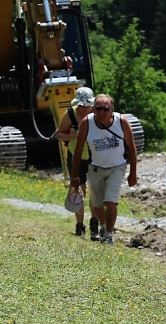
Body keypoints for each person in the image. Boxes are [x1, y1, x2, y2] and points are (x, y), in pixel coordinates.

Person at [70, 93, 137, 245]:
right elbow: (78, 151)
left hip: (117, 166)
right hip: (95, 168)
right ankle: (103, 225)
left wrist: (133, 173)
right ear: (93, 109)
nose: (102, 112)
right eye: (98, 108)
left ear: (112, 109)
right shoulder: (87, 123)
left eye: (105, 109)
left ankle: (108, 234)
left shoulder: (122, 122)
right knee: (97, 204)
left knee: (110, 200)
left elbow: (132, 148)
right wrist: (75, 176)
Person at [54, 86, 99, 239]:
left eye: (87, 106)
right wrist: (74, 135)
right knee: (79, 190)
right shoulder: (70, 114)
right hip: (76, 157)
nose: (84, 109)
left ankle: (95, 223)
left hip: (95, 157)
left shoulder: (99, 113)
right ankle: (79, 225)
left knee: (95, 191)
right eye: (81, 106)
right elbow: (58, 134)